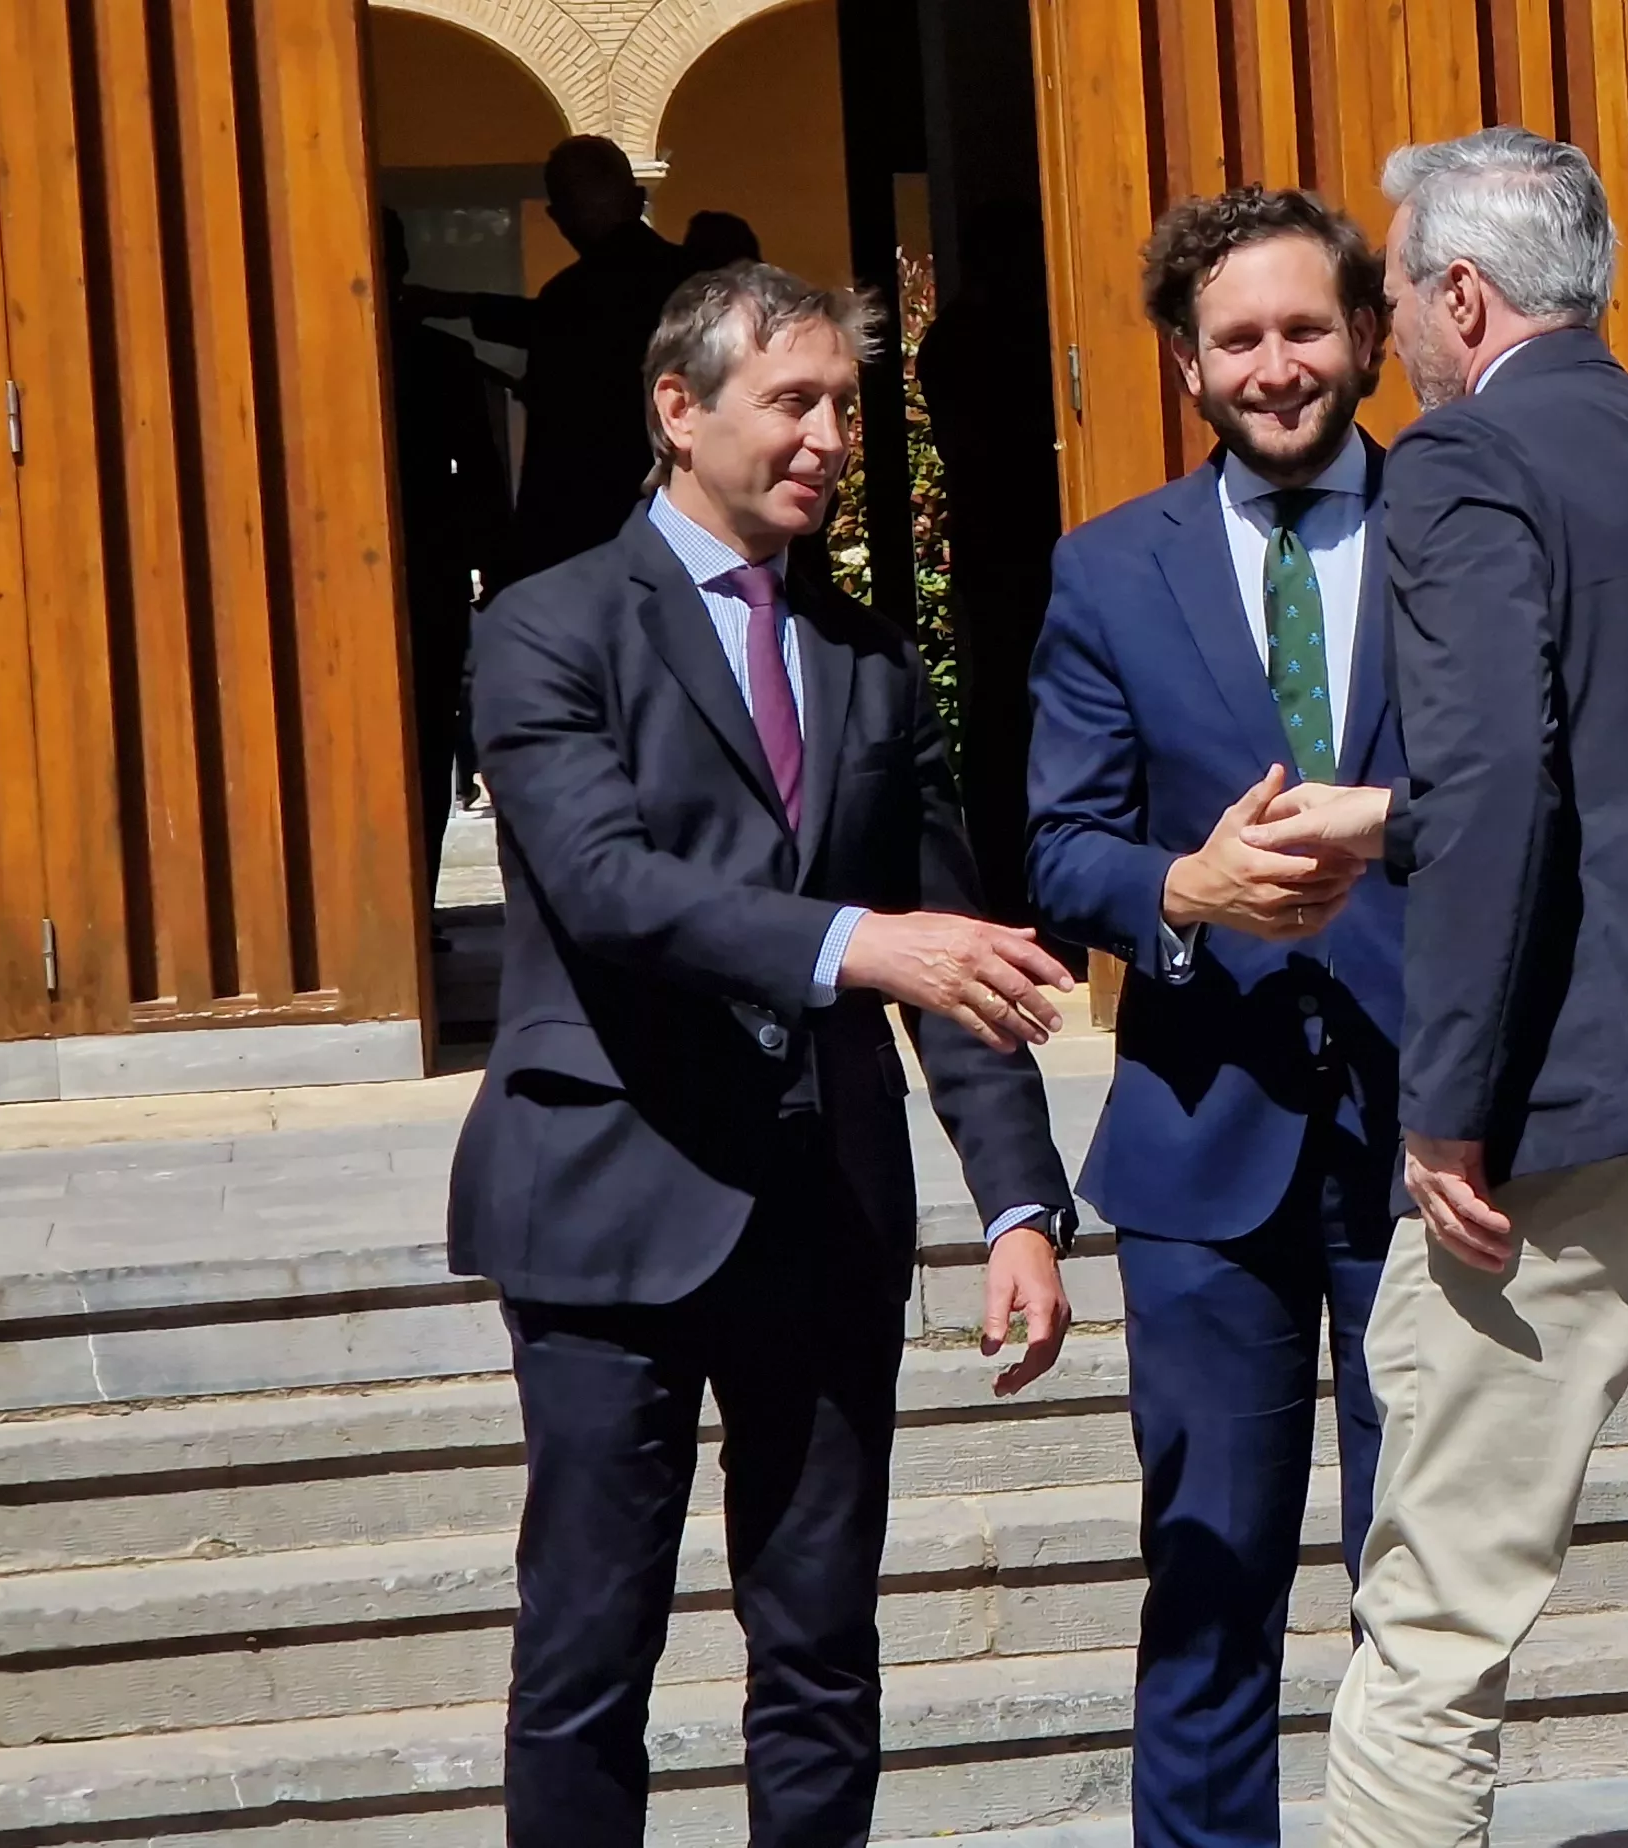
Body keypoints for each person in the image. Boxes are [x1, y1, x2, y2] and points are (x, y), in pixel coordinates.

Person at [1234, 127, 1628, 1847]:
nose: (1387, 327)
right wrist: (1399, 817)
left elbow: (1507, 780)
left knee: (1438, 1610)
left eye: (1393, 291)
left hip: (1568, 1111)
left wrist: (1447, 1104)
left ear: (1462, 292)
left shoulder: (1464, 460)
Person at [449, 262, 1082, 1848]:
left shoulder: (870, 661)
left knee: (820, 1652)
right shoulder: (547, 626)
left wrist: (1019, 1204)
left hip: (823, 1212)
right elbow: (604, 885)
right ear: (679, 409)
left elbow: (955, 946)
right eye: (793, 402)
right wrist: (855, 946)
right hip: (611, 1200)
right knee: (589, 1650)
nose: (828, 439)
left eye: (845, 408)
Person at [1021, 187, 1403, 1848]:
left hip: (1433, 1144)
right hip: (1203, 1146)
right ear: (1186, 363)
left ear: (1369, 336)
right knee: (1210, 1586)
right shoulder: (1112, 570)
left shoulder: (1473, 536)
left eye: (1306, 328)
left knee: (1428, 1592)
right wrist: (1185, 887)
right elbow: (1058, 848)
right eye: (1237, 338)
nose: (1275, 365)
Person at [419, 137, 720, 579]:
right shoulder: (694, 288)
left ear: (560, 214)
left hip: (587, 529)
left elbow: (556, 448)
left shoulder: (570, 299)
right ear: (637, 197)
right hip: (689, 516)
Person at [381, 211, 511, 882]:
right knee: (430, 730)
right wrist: (493, 562)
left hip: (418, 566)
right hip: (429, 564)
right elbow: (480, 473)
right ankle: (417, 899)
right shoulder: (441, 357)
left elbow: (479, 472)